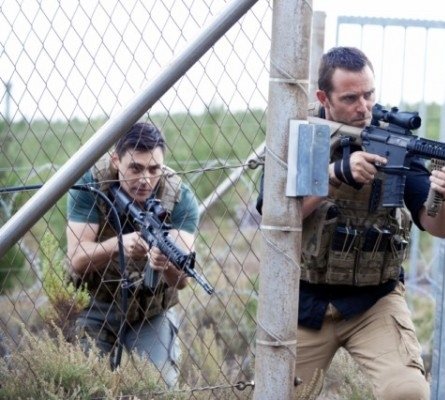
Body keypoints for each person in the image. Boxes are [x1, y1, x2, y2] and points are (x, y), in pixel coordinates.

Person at [66, 122, 199, 388]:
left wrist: (165, 264)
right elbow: (77, 259)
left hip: (150, 310)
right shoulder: (91, 185)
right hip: (96, 303)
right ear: (116, 160)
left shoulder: (178, 196)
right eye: (135, 168)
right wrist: (117, 245)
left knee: (159, 386)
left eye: (154, 169)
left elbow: (182, 280)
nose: (145, 180)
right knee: (86, 387)